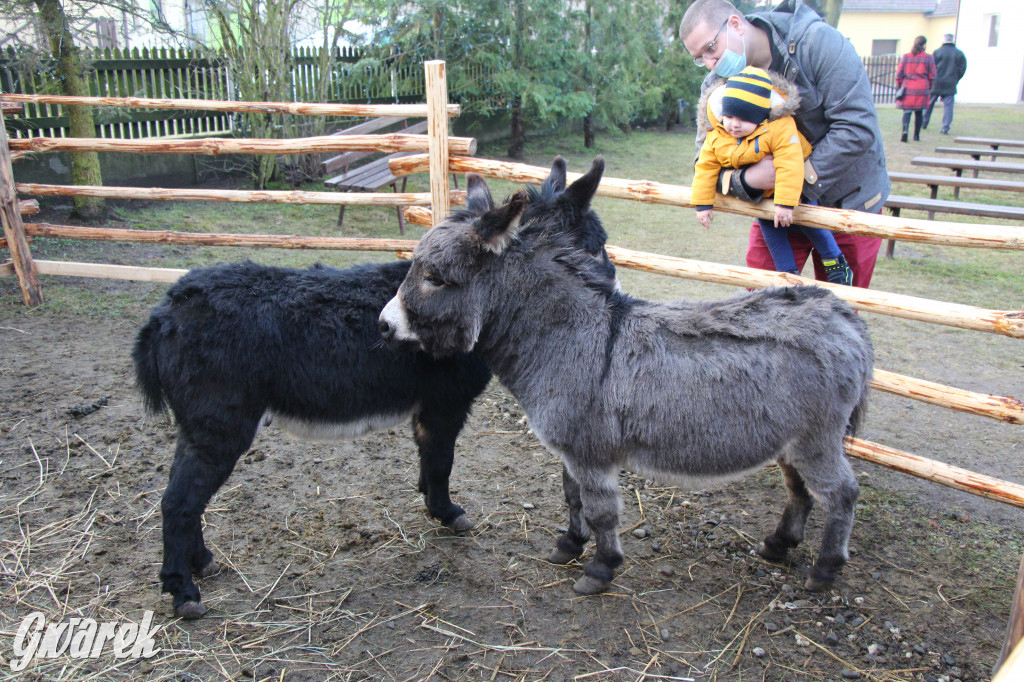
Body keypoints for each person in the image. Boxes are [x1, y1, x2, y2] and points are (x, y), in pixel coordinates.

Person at [679, 0, 889, 289]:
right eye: (699, 57)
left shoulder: (817, 43)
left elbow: (857, 127)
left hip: (850, 200)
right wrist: (749, 180)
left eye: (711, 48)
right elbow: (704, 161)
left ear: (736, 25)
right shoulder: (716, 86)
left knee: (837, 316)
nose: (710, 64)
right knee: (762, 310)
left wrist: (793, 179)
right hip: (775, 211)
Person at [692, 66, 853, 284]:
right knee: (771, 232)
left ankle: (835, 261)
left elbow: (790, 162)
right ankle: (788, 276)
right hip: (762, 195)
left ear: (760, 117)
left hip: (797, 187)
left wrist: (786, 203)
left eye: (744, 118)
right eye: (729, 116)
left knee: (810, 223)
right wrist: (703, 204)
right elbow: (705, 167)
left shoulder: (779, 127)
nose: (734, 124)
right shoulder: (719, 134)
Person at [923, 34, 967, 135]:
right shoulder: (959, 53)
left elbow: (931, 67)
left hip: (936, 82)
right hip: (950, 83)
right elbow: (962, 68)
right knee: (948, 107)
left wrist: (931, 79)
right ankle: (945, 127)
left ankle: (924, 123)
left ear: (943, 40)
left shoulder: (937, 52)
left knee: (929, 104)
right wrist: (956, 78)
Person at [896, 36, 936, 142]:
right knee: (919, 112)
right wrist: (929, 86)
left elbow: (899, 74)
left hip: (908, 85)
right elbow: (933, 75)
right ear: (924, 45)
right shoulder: (928, 57)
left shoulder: (906, 57)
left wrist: (900, 86)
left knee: (907, 111)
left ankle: (905, 130)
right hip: (922, 86)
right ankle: (916, 135)